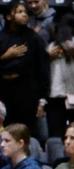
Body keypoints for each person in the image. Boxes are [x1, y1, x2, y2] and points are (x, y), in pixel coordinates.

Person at [0, 3, 48, 134]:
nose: (24, 14)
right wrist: (5, 56)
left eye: (26, 12)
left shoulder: (33, 38)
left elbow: (42, 69)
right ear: (9, 16)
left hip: (26, 91)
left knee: (25, 131)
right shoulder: (1, 38)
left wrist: (42, 100)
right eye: (20, 11)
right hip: (3, 90)